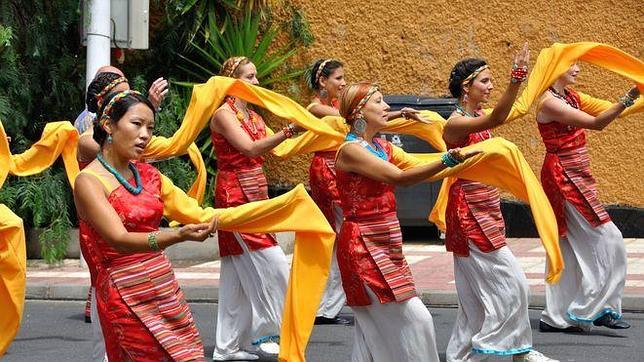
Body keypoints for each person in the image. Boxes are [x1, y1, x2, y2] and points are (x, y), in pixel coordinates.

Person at [334, 82, 479, 361]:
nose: (387, 106)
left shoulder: (380, 146)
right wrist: (449, 159)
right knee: (416, 320)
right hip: (363, 247)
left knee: (370, 335)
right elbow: (399, 177)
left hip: (386, 243)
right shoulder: (351, 151)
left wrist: (470, 158)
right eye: (379, 102)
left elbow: (413, 164)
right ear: (359, 111)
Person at [74, 90, 218, 361]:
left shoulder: (149, 174)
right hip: (123, 290)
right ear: (108, 125)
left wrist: (241, 216)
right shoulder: (89, 181)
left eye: (150, 128)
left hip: (163, 285)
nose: (145, 135)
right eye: (136, 124)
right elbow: (119, 238)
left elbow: (191, 210)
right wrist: (177, 235)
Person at [442, 44, 557, 362]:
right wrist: (516, 77)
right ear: (467, 87)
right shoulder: (455, 124)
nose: (491, 87)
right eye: (486, 82)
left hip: (486, 209)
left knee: (474, 297)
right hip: (469, 214)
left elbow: (502, 114)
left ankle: (465, 355)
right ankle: (509, 351)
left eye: (494, 82)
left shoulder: (477, 117)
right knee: (515, 284)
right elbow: (501, 114)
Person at [305, 58, 428, 326]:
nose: (343, 82)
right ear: (322, 81)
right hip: (331, 173)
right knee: (345, 235)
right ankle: (328, 306)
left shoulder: (359, 130)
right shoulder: (315, 108)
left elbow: (357, 118)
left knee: (343, 237)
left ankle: (332, 305)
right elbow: (349, 118)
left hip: (352, 167)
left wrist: (399, 114)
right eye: (338, 78)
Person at [209, 56, 304, 361]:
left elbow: (274, 149)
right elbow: (250, 149)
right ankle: (268, 332)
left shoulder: (253, 116)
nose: (257, 83)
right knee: (273, 264)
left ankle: (227, 347)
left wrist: (316, 133)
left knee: (235, 274)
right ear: (234, 82)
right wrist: (288, 131)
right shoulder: (224, 115)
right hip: (234, 196)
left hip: (256, 194)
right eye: (250, 77)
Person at [536, 63, 640, 332]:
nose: (578, 69)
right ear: (555, 67)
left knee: (568, 249)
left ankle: (556, 317)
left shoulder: (570, 97)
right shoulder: (549, 103)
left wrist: (636, 97)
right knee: (610, 237)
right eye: (572, 63)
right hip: (564, 177)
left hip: (576, 174)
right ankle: (600, 308)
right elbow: (597, 123)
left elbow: (610, 109)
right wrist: (629, 97)